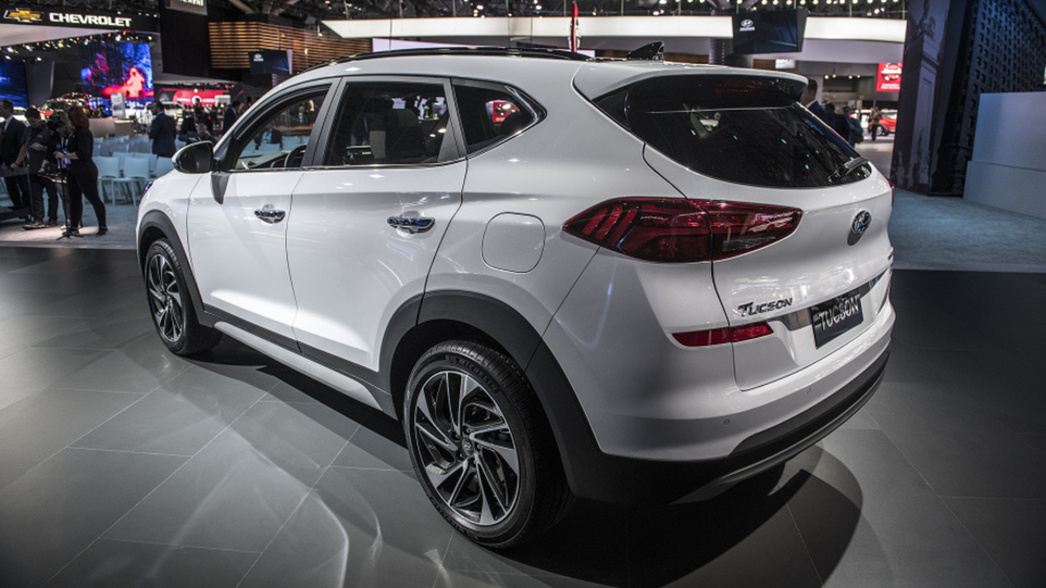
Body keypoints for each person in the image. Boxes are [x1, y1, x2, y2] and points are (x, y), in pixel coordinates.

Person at [55, 106, 106, 237]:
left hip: (85, 170)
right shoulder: (74, 132)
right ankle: (73, 226)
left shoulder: (83, 132)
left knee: (93, 198)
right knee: (74, 199)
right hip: (73, 170)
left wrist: (64, 155)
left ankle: (102, 225)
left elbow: (83, 154)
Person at [10, 108, 58, 229]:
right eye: (29, 122)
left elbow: (54, 148)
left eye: (33, 121)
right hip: (33, 167)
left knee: (52, 194)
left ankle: (52, 218)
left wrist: (43, 148)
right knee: (36, 194)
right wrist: (17, 163)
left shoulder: (48, 130)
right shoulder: (28, 130)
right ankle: (38, 218)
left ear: (39, 118)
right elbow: (24, 147)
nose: (32, 124)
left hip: (47, 168)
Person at [0, 99, 30, 214]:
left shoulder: (18, 125)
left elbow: (22, 145)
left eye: (0, 108)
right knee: (11, 186)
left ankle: (27, 208)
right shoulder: (2, 126)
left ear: (8, 109)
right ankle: (17, 206)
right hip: (5, 163)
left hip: (16, 162)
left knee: (23, 185)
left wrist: (19, 161)